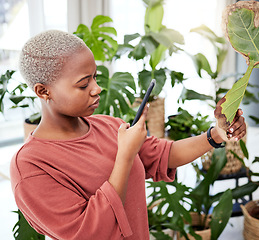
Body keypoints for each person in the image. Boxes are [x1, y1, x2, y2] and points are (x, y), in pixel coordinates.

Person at [10, 30, 246, 240]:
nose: (97, 88)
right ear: (43, 91)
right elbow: (87, 232)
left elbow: (164, 155)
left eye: (94, 77)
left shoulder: (110, 127)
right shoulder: (30, 165)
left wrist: (216, 134)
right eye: (83, 85)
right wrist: (125, 155)